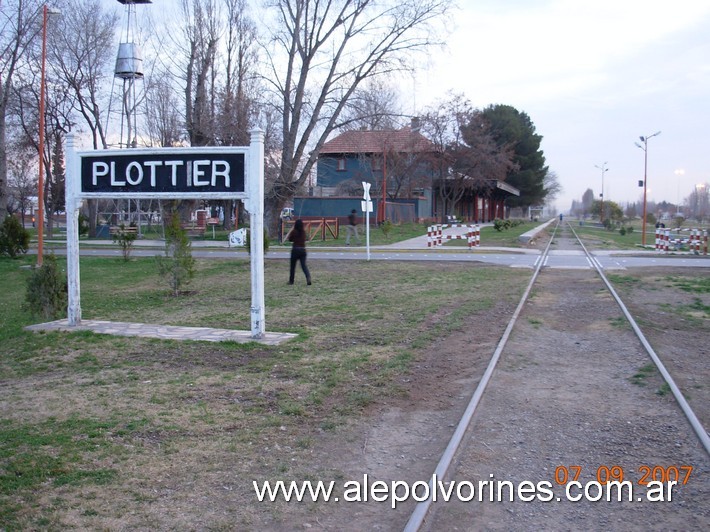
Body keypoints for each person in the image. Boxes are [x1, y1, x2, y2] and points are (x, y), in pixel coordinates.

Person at [286, 219, 311, 285]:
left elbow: (290, 239)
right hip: (303, 250)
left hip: (295, 250)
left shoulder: (294, 232)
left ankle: (291, 281)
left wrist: (291, 231)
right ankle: (308, 277)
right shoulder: (303, 232)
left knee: (293, 267)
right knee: (303, 266)